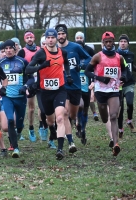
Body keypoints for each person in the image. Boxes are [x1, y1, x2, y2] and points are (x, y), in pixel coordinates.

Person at [26, 28, 72, 160]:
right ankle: (52, 130)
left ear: (56, 38)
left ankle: (60, 149)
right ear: (45, 40)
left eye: (53, 37)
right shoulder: (41, 53)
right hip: (44, 91)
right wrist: (41, 66)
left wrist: (67, 75)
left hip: (59, 90)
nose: (51, 40)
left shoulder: (63, 52)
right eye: (48, 38)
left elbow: (67, 63)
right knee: (50, 120)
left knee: (60, 118)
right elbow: (28, 69)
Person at [85, 31, 127, 156]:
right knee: (105, 117)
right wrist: (100, 78)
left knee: (113, 116)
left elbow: (125, 71)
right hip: (100, 90)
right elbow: (87, 71)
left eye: (110, 41)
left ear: (113, 42)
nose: (109, 44)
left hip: (113, 90)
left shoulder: (119, 57)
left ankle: (115, 144)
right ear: (103, 43)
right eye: (106, 42)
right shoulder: (98, 56)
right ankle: (113, 139)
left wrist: (123, 77)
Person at [55, 24, 91, 154]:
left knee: (72, 114)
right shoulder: (53, 50)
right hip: (61, 86)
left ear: (66, 34)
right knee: (64, 113)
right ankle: (70, 142)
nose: (61, 36)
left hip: (75, 85)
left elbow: (88, 58)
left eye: (63, 34)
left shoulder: (75, 47)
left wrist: (81, 65)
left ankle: (75, 125)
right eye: (58, 34)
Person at [0, 39, 30, 158]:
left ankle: (18, 132)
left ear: (15, 49)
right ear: (4, 50)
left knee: (19, 124)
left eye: (11, 48)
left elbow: (30, 78)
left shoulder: (23, 62)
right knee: (10, 120)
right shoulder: (0, 63)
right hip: (7, 97)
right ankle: (15, 148)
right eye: (6, 49)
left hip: (20, 98)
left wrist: (25, 86)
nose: (9, 50)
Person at [17, 30, 41, 142]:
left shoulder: (40, 50)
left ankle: (42, 125)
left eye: (31, 37)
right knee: (31, 108)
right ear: (25, 39)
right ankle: (31, 128)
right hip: (30, 81)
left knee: (42, 106)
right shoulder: (22, 52)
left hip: (40, 81)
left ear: (34, 38)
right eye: (27, 38)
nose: (29, 39)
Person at [116, 34, 136, 136]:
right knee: (120, 108)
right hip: (118, 85)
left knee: (130, 103)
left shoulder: (131, 55)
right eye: (121, 41)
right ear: (118, 43)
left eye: (125, 41)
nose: (123, 43)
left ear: (128, 43)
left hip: (129, 84)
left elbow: (132, 67)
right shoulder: (115, 54)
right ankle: (120, 128)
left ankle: (129, 120)